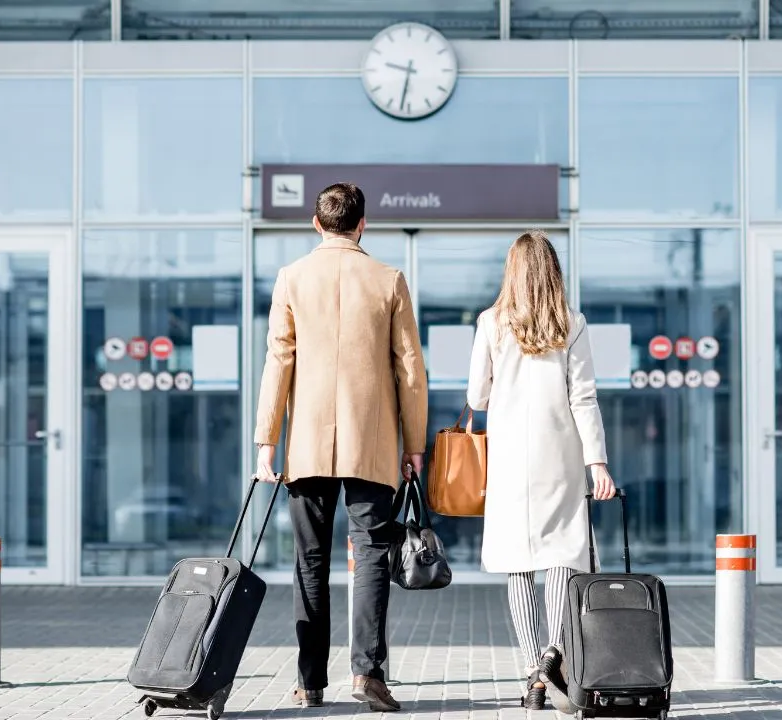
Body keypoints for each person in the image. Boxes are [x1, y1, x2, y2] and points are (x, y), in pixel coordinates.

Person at [254, 182, 428, 712]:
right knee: (371, 554)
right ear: (362, 224)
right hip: (370, 443)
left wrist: (266, 441)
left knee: (309, 561)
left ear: (316, 223)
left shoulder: (292, 278)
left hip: (305, 445)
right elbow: (410, 371)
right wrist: (414, 444)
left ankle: (310, 683)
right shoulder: (388, 279)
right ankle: (367, 674)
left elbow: (277, 363)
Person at [465, 230, 616, 710]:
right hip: (561, 456)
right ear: (553, 272)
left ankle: (533, 673)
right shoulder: (570, 323)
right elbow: (584, 398)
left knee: (518, 563)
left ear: (512, 271)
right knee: (559, 558)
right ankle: (554, 654)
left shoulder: (491, 322)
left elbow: (476, 398)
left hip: (510, 461)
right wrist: (598, 463)